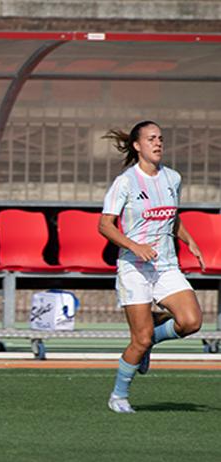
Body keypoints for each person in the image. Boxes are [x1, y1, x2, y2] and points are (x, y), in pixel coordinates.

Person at [99, 120, 205, 413]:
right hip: (134, 267)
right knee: (140, 338)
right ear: (137, 146)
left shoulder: (173, 178)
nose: (157, 143)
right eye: (151, 139)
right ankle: (118, 396)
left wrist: (190, 241)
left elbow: (172, 217)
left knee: (191, 322)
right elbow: (105, 225)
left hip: (166, 265)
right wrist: (135, 246)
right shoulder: (125, 182)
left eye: (160, 138)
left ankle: (151, 338)